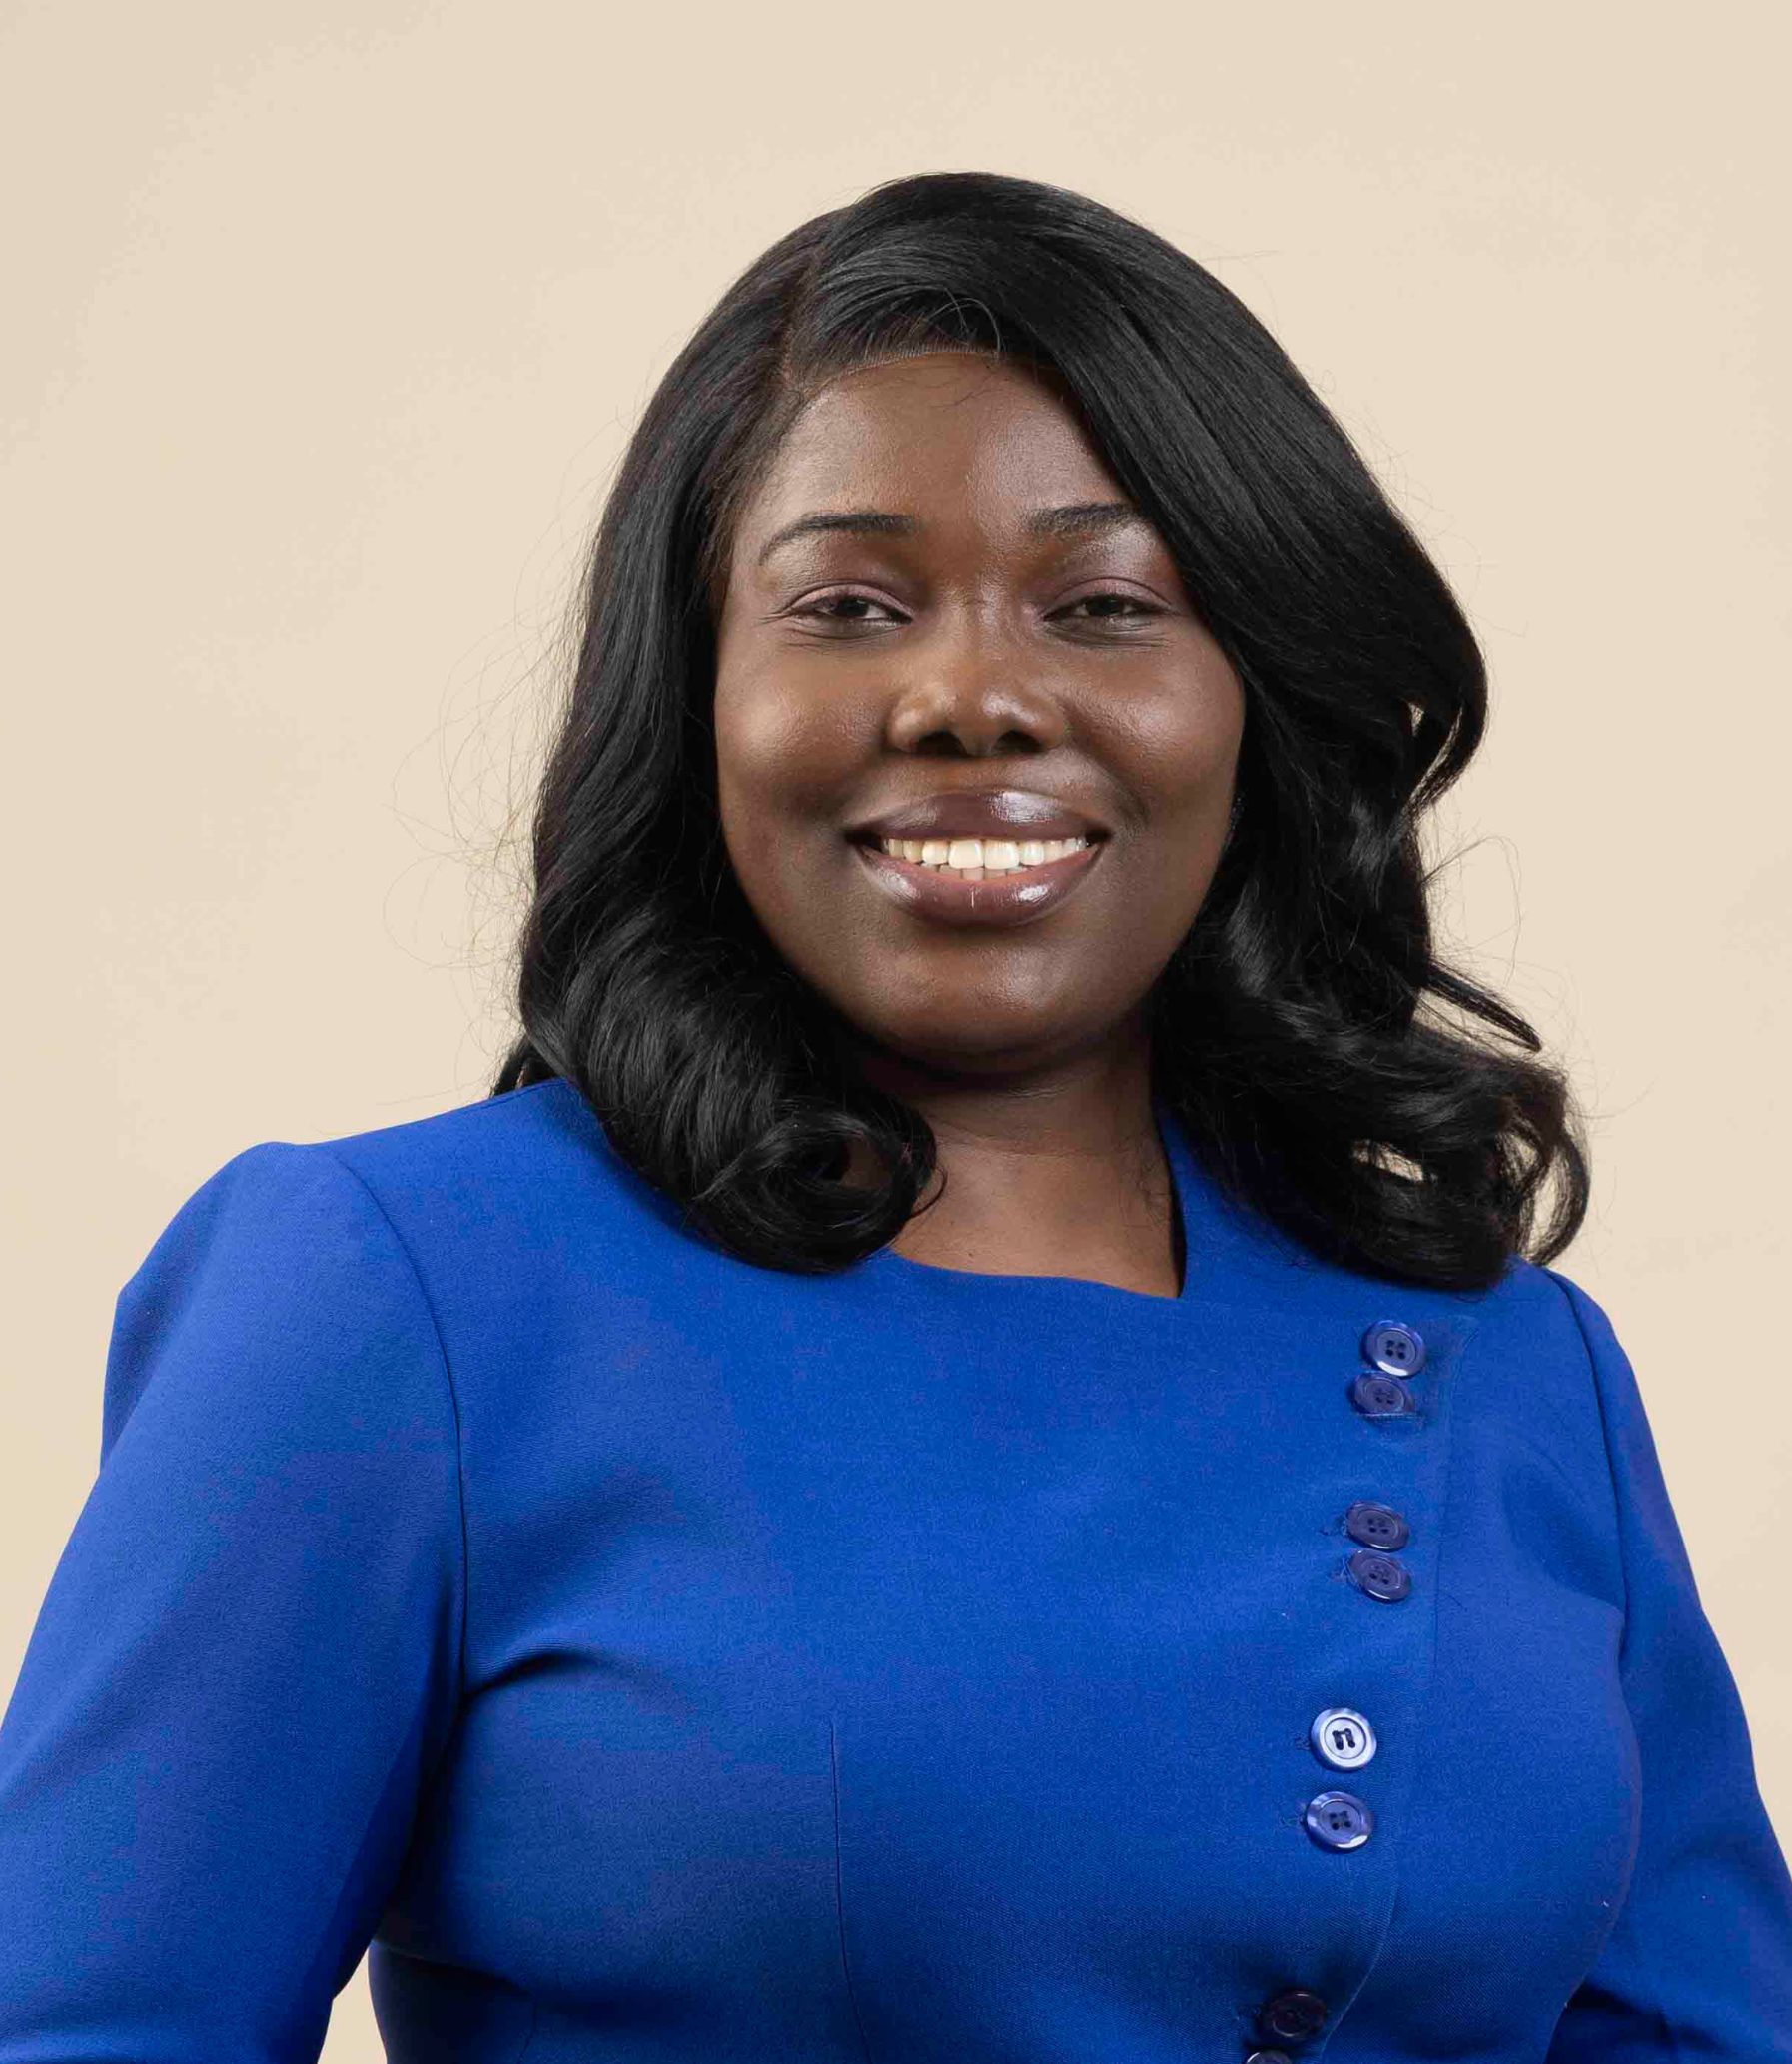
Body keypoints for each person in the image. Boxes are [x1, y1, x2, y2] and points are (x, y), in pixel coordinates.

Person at [2, 168, 1789, 2063]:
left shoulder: (1514, 1362)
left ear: (1254, 697)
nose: (971, 696)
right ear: (698, 694)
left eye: (1105, 604)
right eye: (847, 605)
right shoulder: (401, 1294)